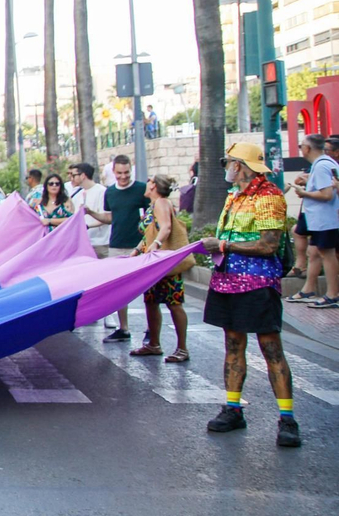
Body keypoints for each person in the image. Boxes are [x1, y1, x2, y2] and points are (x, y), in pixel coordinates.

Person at [199, 143, 300, 448]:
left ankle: (287, 419)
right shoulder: (234, 195)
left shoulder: (269, 195)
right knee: (233, 345)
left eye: (227, 161)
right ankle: (233, 409)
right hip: (226, 282)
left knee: (271, 348)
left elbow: (269, 245)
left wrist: (223, 246)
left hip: (258, 285)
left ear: (240, 165)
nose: (225, 167)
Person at [128, 175, 190, 363]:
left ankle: (182, 348)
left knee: (174, 303)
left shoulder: (161, 203)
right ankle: (153, 344)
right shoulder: (153, 205)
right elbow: (150, 233)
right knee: (151, 301)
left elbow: (166, 227)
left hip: (164, 261)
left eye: (149, 181)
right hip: (153, 261)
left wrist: (155, 245)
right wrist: (137, 250)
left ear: (154, 185)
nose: (146, 184)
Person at [290, 133, 339, 308]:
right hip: (324, 219)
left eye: (301, 146)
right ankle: (324, 292)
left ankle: (332, 294)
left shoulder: (321, 166)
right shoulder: (324, 164)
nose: (301, 149)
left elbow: (326, 194)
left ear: (308, 148)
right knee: (320, 253)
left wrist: (304, 193)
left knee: (328, 254)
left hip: (326, 219)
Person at [104, 155, 148, 342]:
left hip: (138, 244)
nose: (123, 177)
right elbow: (110, 217)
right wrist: (89, 215)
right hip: (116, 244)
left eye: (127, 173)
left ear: (131, 170)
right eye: (119, 173)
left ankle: (151, 328)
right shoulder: (110, 192)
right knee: (119, 289)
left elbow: (150, 216)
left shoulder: (142, 189)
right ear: (113, 172)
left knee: (147, 287)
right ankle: (123, 328)